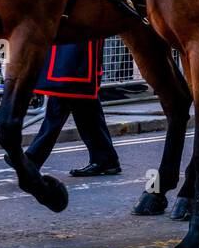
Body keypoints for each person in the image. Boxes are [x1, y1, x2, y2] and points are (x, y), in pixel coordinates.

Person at [20, 40, 122, 176]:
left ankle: (33, 158)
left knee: (66, 95)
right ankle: (105, 158)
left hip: (80, 41)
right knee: (79, 101)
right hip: (72, 45)